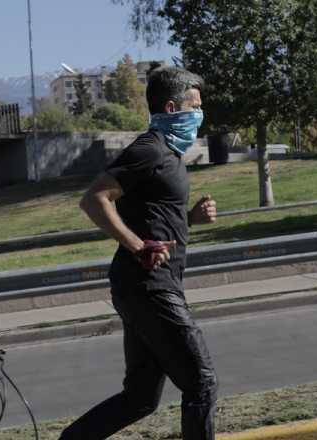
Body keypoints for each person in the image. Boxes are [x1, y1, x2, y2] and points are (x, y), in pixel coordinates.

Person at [60, 67, 219, 440]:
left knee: (141, 397)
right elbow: (94, 199)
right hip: (150, 287)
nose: (200, 113)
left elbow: (153, 220)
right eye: (194, 106)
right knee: (202, 382)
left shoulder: (169, 155)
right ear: (171, 107)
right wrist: (137, 246)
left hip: (146, 286)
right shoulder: (148, 149)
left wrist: (189, 219)